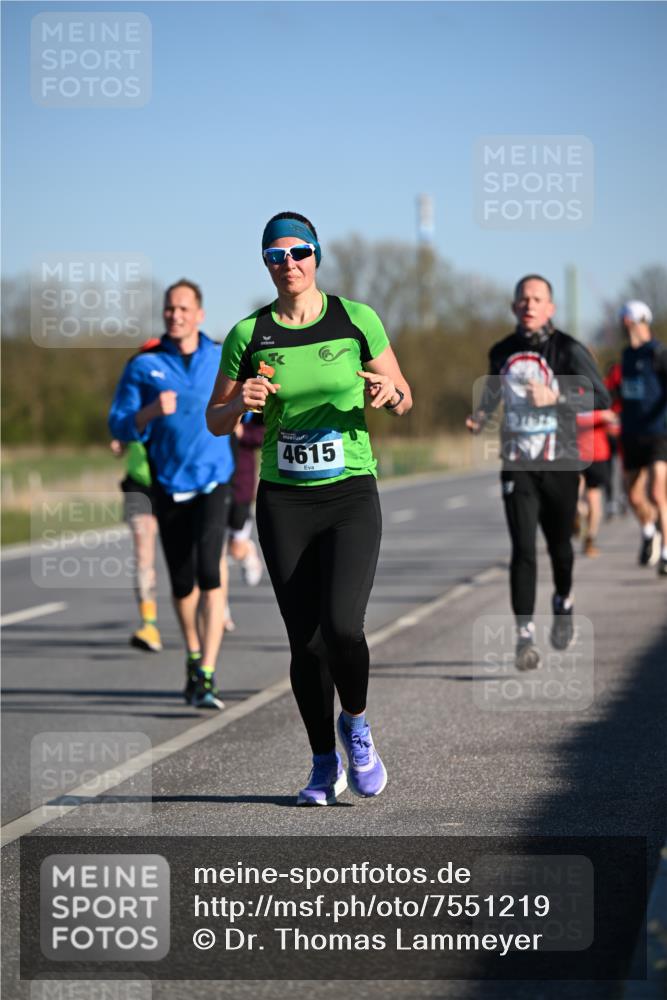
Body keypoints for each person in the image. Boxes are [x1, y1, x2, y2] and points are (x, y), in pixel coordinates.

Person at [207, 211, 412, 805]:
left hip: (349, 491)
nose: (289, 264)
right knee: (306, 641)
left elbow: (404, 398)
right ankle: (324, 762)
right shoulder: (249, 335)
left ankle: (357, 725)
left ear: (316, 255)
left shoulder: (356, 320)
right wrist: (238, 404)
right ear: (266, 264)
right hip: (284, 499)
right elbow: (214, 419)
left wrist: (388, 393)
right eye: (276, 256)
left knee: (344, 627)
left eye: (298, 252)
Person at [467, 275, 610, 670]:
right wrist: (480, 418)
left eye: (537, 299)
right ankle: (524, 636)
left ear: (550, 307)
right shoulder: (501, 351)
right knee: (523, 549)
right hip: (518, 463)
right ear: (514, 307)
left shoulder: (567, 348)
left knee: (561, 549)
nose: (529, 305)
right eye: (523, 299)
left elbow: (602, 396)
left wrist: (558, 395)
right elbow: (494, 394)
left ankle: (563, 600)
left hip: (561, 463)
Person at [109, 280, 235, 708]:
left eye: (183, 308)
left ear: (199, 314)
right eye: (169, 309)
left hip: (215, 481)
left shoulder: (220, 356)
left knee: (210, 573)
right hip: (167, 484)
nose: (175, 315)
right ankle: (194, 657)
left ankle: (208, 672)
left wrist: (246, 416)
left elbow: (251, 406)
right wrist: (147, 412)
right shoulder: (144, 366)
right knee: (183, 583)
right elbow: (117, 425)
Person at [110, 338, 163, 652]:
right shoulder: (131, 395)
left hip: (173, 483)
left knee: (188, 556)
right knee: (143, 551)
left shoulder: (176, 392)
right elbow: (119, 429)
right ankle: (149, 625)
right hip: (138, 482)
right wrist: (118, 441)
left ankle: (208, 612)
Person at [618, 300, 667, 575]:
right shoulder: (626, 355)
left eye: (629, 321)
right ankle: (649, 532)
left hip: (658, 432)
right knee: (634, 497)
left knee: (658, 493)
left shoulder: (657, 353)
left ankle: (666, 555)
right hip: (631, 433)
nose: (627, 327)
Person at [220, 412, 265, 633]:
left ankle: (246, 550)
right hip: (212, 483)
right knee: (212, 556)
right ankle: (221, 611)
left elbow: (266, 433)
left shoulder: (250, 402)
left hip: (241, 485)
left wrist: (242, 432)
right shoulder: (211, 394)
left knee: (235, 550)